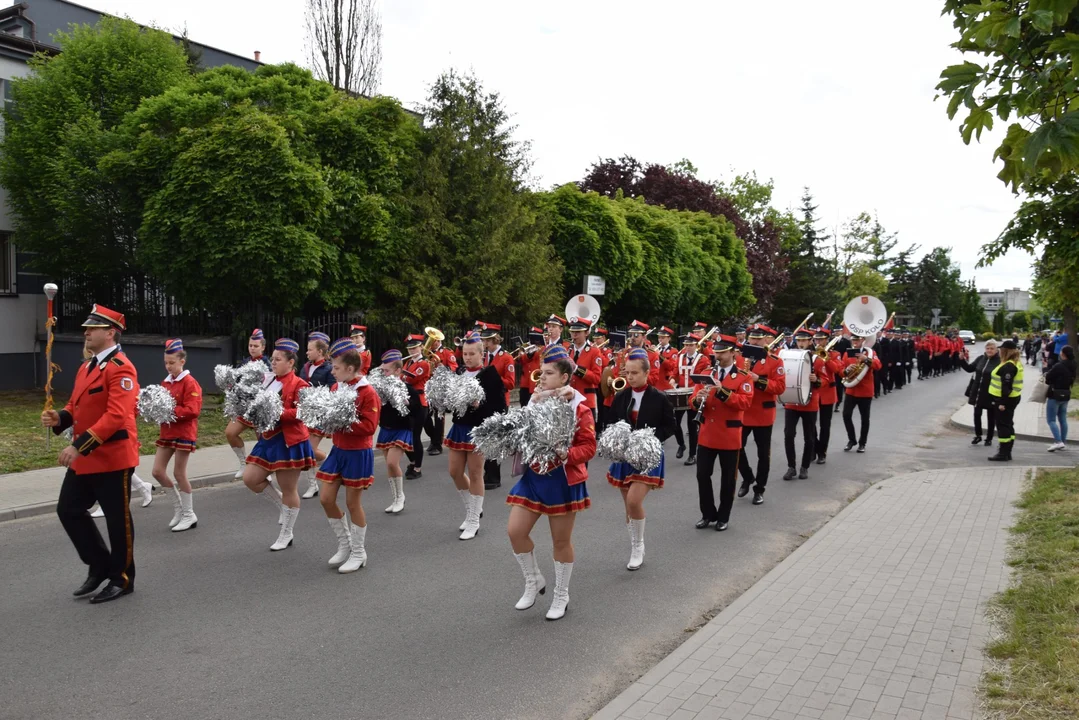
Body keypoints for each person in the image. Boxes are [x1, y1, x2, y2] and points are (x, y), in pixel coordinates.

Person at [42, 304, 140, 604]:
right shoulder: (86, 367)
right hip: (88, 457)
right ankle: (99, 565)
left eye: (92, 328)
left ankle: (122, 578)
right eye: (87, 328)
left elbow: (115, 416)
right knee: (68, 510)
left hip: (112, 457)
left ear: (110, 332)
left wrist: (77, 445)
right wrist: (60, 418)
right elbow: (75, 406)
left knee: (116, 520)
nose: (86, 332)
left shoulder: (122, 367)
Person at [506, 344, 596, 620]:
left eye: (547, 373)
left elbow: (589, 447)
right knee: (515, 531)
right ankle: (533, 580)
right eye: (540, 372)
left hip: (562, 480)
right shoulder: (535, 401)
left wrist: (566, 454)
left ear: (565, 377)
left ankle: (561, 594)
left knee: (560, 541)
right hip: (534, 476)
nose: (540, 377)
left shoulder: (579, 407)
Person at [605, 348, 677, 570]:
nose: (630, 377)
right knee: (628, 503)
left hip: (648, 455)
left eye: (635, 373)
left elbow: (670, 426)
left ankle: (638, 546)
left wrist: (650, 440)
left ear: (647, 373)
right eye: (627, 373)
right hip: (625, 455)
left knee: (634, 501)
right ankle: (635, 544)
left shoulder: (659, 398)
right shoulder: (621, 396)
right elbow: (612, 423)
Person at [242, 338, 316, 550]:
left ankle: (287, 533)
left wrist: (278, 412)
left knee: (289, 488)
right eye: (272, 359)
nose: (273, 363)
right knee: (251, 479)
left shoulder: (300, 384)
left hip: (289, 441)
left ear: (291, 363)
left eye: (277, 359)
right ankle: (283, 507)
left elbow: (303, 412)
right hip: (268, 439)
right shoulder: (267, 380)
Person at [316, 338, 381, 573]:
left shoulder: (368, 392)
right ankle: (345, 545)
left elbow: (370, 427)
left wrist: (343, 423)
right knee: (325, 498)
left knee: (353, 503)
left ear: (351, 368)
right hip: (339, 450)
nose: (332, 371)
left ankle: (359, 552)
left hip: (358, 453)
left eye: (336, 367)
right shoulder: (336, 388)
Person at [443, 332, 508, 539]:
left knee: (475, 473)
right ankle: (473, 508)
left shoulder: (490, 374)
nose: (468, 357)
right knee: (454, 471)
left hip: (479, 430)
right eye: (465, 353)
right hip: (460, 427)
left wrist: (480, 404)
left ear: (482, 354)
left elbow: (500, 407)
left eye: (472, 354)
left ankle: (473, 519)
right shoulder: (460, 373)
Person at [692, 336, 753, 531]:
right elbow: (693, 398)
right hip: (707, 433)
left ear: (733, 352)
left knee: (728, 479)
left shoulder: (743, 376)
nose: (718, 355)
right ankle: (707, 514)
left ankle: (723, 517)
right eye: (716, 352)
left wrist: (721, 391)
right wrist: (697, 399)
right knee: (702, 475)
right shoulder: (706, 373)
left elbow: (745, 403)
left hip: (729, 434)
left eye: (722, 352)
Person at [153, 338, 203, 532]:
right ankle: (178, 509)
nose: (168, 366)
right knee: (157, 471)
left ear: (182, 361)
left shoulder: (190, 383)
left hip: (183, 432)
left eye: (172, 363)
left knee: (178, 473)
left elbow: (193, 410)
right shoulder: (165, 383)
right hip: (167, 431)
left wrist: (170, 412)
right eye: (166, 363)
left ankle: (189, 514)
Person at [737, 324, 786, 505]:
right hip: (744, 411)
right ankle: (748, 477)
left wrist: (759, 380)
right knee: (736, 448)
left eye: (759, 338)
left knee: (763, 454)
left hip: (763, 413)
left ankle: (759, 489)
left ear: (767, 339)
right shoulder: (740, 359)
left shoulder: (774, 361)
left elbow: (779, 387)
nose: (755, 341)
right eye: (752, 338)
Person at [375, 349, 421, 514]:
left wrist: (407, 403)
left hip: (402, 429)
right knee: (389, 466)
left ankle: (400, 496)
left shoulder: (408, 389)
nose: (384, 373)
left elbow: (418, 409)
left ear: (398, 371)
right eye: (384, 371)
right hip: (386, 428)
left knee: (392, 463)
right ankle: (395, 498)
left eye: (387, 371)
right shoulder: (380, 387)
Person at [225, 329, 272, 479]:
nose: (252, 348)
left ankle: (266, 469)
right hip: (244, 408)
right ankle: (243, 463)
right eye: (250, 345)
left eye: (255, 346)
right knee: (230, 433)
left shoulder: (268, 364)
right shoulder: (244, 363)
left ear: (263, 347)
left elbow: (271, 386)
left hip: (259, 409)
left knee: (262, 441)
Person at [782, 330, 824, 480]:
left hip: (809, 402)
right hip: (792, 402)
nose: (801, 343)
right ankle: (791, 467)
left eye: (804, 341)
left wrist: (816, 380)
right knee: (788, 435)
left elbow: (824, 381)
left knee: (809, 437)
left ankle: (804, 467)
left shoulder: (817, 359)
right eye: (799, 340)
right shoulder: (790, 356)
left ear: (810, 341)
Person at [479, 322, 516, 489]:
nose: (484, 343)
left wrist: (492, 379)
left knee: (495, 439)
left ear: (494, 339)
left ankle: (494, 476)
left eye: (487, 340)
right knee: (485, 438)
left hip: (499, 402)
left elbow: (510, 383)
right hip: (485, 401)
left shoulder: (506, 357)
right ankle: (486, 471)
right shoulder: (485, 356)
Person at [300, 331, 335, 499]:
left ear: (320, 351)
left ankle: (328, 464)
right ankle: (314, 484)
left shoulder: (329, 369)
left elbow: (332, 391)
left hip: (320, 414)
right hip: (305, 413)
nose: (307, 352)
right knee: (305, 450)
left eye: (310, 349)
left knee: (309, 449)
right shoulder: (306, 367)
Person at [841, 336, 882, 453]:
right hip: (851, 389)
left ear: (862, 341)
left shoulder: (870, 352)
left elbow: (878, 366)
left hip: (865, 390)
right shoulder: (847, 353)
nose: (855, 342)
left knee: (865, 418)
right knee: (846, 415)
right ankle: (851, 439)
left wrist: (866, 359)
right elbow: (842, 369)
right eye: (853, 340)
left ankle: (862, 443)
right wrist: (847, 369)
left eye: (857, 340)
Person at [674, 335, 710, 464]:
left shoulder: (703, 359)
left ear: (697, 346)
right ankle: (681, 444)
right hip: (680, 393)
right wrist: (672, 383)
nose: (688, 348)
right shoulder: (680, 358)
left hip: (694, 395)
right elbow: (674, 374)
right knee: (674, 422)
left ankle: (692, 454)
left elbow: (706, 376)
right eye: (686, 345)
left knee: (692, 425)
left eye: (691, 345)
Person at [988, 339, 1024, 462]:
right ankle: (1007, 451)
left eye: (1001, 349)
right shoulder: (1014, 362)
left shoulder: (1009, 365)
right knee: (1008, 424)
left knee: (1003, 425)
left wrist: (1002, 403)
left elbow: (1006, 386)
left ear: (1006, 351)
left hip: (1004, 399)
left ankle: (1003, 453)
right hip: (1012, 398)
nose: (999, 351)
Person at [959, 339, 1000, 447]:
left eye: (992, 348)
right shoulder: (981, 358)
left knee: (991, 416)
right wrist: (962, 360)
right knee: (977, 414)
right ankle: (978, 435)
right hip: (978, 391)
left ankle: (989, 438)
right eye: (987, 348)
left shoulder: (1000, 361)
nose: (989, 350)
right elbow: (969, 369)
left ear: (996, 350)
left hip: (991, 392)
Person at [401, 334, 431, 480]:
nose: (412, 351)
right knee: (407, 435)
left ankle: (417, 468)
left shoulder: (424, 363)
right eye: (410, 349)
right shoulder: (407, 363)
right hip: (408, 401)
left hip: (419, 402)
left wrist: (400, 374)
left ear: (421, 347)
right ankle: (412, 462)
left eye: (415, 348)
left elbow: (411, 378)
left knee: (415, 436)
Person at [423, 333, 458, 455]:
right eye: (431, 341)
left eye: (435, 341)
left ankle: (437, 444)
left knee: (439, 417)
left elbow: (454, 368)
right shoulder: (427, 354)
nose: (433, 343)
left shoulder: (447, 352)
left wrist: (442, 368)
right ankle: (434, 438)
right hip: (428, 387)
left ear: (438, 341)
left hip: (440, 389)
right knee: (425, 416)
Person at [812, 328, 843, 464]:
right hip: (814, 392)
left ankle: (822, 452)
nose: (818, 342)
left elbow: (837, 370)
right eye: (816, 339)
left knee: (825, 425)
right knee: (810, 424)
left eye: (821, 339)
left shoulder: (835, 354)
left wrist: (826, 358)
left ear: (826, 340)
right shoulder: (810, 353)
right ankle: (814, 448)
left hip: (828, 393)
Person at [1044, 345, 1076, 452]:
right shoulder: (1073, 365)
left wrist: (1046, 370)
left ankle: (1058, 442)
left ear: (1063, 354)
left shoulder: (1058, 366)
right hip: (1066, 394)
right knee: (1063, 419)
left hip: (1054, 395)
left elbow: (1048, 378)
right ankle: (1063, 441)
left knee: (1051, 420)